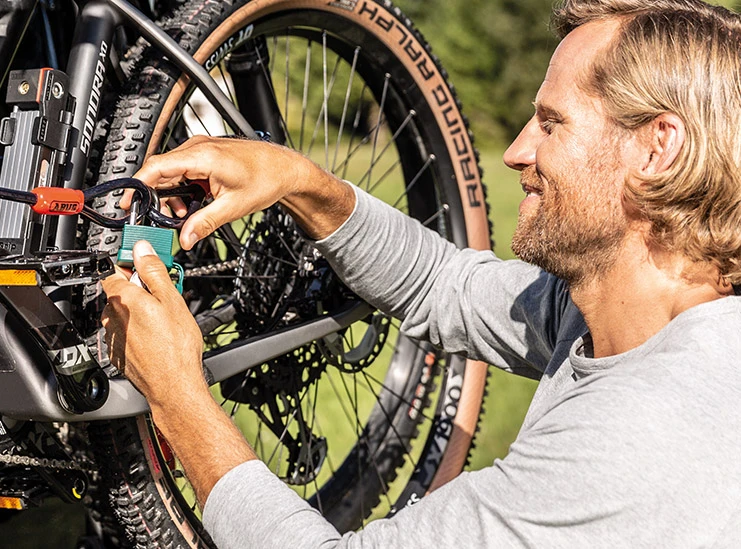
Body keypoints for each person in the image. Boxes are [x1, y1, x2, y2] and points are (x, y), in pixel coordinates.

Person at [100, 0, 741, 545]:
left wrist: (176, 393)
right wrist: (300, 182)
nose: (518, 152)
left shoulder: (639, 440)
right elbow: (444, 284)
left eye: (552, 123)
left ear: (658, 148)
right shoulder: (626, 312)